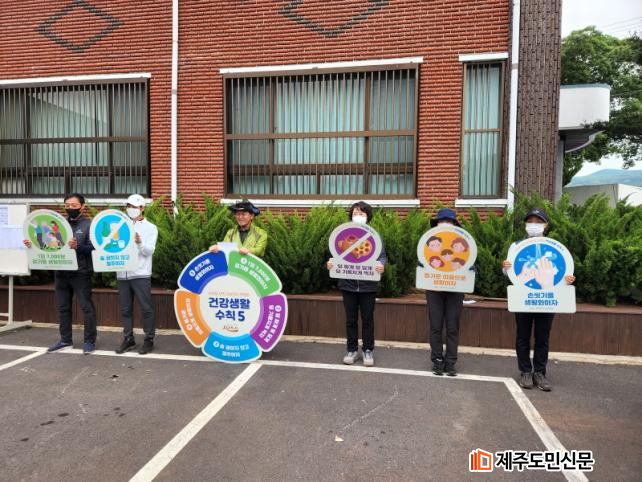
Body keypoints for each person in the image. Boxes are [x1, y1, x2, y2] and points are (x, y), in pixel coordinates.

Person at [502, 208, 576, 391]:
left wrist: (568, 278)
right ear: (525, 224)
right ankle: (525, 372)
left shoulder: (555, 247)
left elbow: (564, 271)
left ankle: (540, 372)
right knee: (523, 336)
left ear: (546, 225)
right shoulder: (516, 246)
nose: (534, 225)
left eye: (538, 221)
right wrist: (505, 267)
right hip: (523, 298)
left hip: (547, 298)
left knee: (542, 337)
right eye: (531, 221)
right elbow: (509, 273)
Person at [23, 194, 98, 354]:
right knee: (63, 308)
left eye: (74, 205)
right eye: (67, 205)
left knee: (87, 308)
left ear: (82, 206)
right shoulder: (58, 224)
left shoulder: (89, 225)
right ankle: (65, 340)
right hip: (61, 272)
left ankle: (89, 341)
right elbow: (47, 243)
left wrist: (78, 246)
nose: (70, 208)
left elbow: (94, 248)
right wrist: (32, 245)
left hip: (80, 273)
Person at [326, 202, 386, 367]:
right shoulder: (343, 234)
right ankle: (351, 350)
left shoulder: (374, 236)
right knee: (350, 320)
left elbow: (381, 256)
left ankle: (368, 350)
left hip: (368, 285)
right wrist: (331, 264)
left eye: (362, 213)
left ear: (368, 217)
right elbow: (335, 255)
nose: (358, 216)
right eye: (355, 213)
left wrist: (381, 265)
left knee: (368, 320)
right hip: (348, 285)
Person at [425, 208, 467, 376]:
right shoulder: (429, 243)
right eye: (442, 221)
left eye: (448, 221)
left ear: (454, 224)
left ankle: (450, 362)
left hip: (455, 291)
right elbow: (421, 265)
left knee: (452, 327)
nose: (445, 224)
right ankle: (437, 360)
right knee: (435, 326)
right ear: (437, 224)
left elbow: (471, 267)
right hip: (434, 290)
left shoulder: (463, 244)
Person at [115, 194, 159, 355]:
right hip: (122, 273)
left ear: (142, 208)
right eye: (128, 206)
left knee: (146, 308)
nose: (130, 209)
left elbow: (149, 251)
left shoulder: (150, 228)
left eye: (134, 206)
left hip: (140, 273)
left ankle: (149, 339)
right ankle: (128, 339)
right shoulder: (119, 225)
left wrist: (139, 242)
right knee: (125, 309)